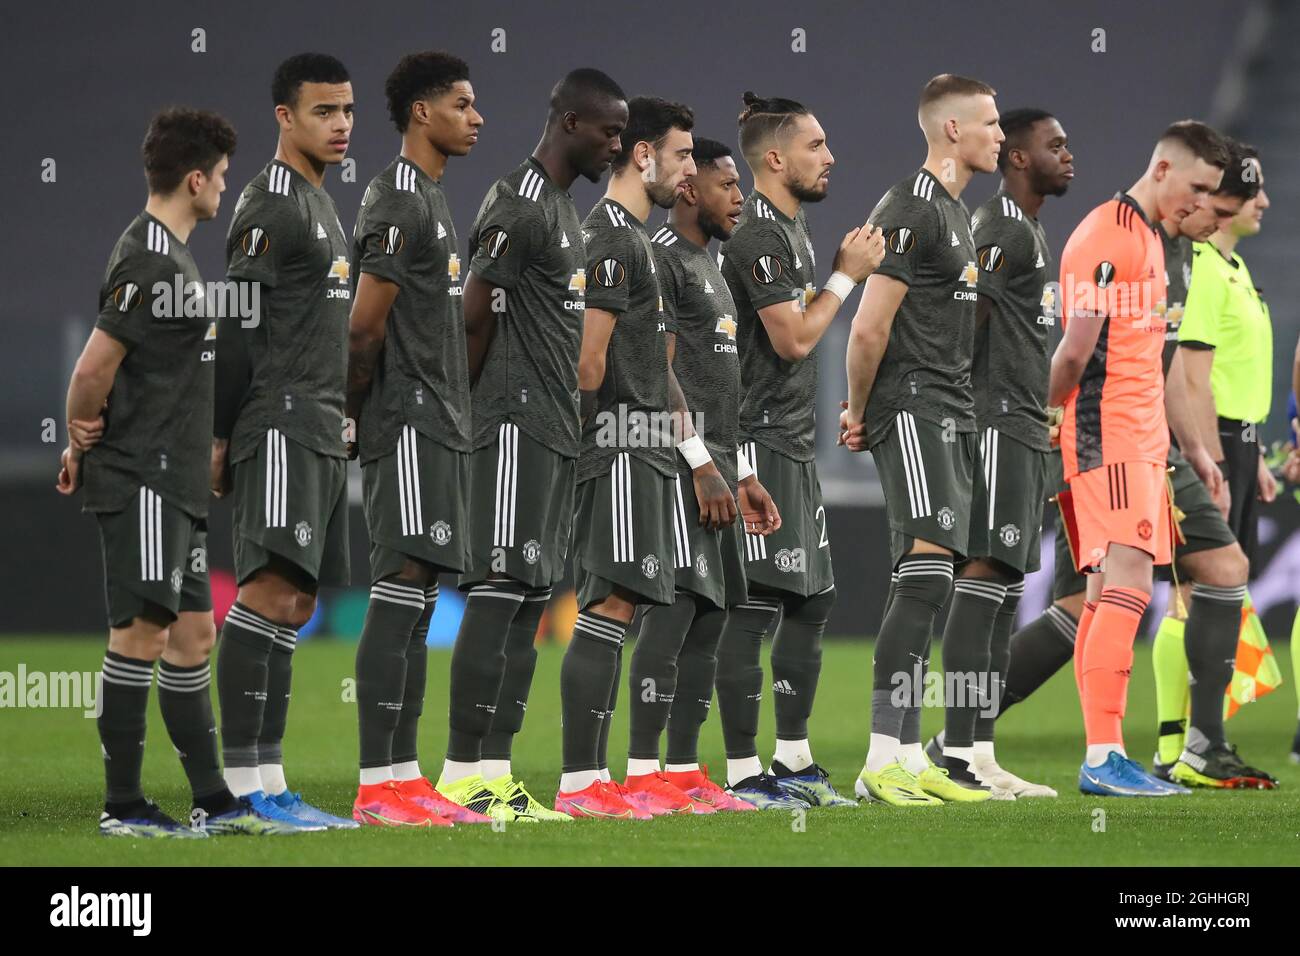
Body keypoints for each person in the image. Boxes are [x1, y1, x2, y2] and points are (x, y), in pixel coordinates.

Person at [59, 107, 297, 836]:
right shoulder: (149, 259)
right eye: (221, 175)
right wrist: (79, 432)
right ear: (195, 178)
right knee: (140, 633)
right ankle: (123, 805)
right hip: (144, 479)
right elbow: (94, 367)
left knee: (193, 635)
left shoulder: (172, 255)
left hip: (177, 482)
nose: (225, 187)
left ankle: (211, 800)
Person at [436, 69, 626, 822]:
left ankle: (495, 770)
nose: (616, 146)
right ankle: (459, 771)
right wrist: (466, 416)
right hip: (510, 422)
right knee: (498, 592)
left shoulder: (565, 213)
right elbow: (474, 315)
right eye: (608, 132)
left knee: (529, 601)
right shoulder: (516, 202)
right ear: (570, 121)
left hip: (553, 428)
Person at [715, 92, 883, 809]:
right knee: (755, 607)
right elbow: (793, 338)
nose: (831, 156)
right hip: (755, 440)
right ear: (775, 158)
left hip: (791, 441)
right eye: (816, 145)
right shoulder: (756, 233)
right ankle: (740, 772)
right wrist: (847, 274)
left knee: (813, 599)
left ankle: (792, 760)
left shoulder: (792, 227)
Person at [1050, 120, 1227, 797]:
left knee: (1105, 592)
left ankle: (1107, 751)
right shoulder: (1111, 235)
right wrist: (1049, 411)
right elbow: (1073, 351)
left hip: (1138, 438)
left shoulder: (1148, 237)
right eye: (1197, 187)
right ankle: (1102, 756)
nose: (1201, 202)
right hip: (1108, 436)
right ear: (1161, 170)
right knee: (1125, 584)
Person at [553, 95, 717, 819]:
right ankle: (581, 783)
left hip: (647, 450)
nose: (690, 169)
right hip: (618, 446)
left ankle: (611, 778)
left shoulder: (636, 241)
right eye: (682, 154)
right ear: (644, 155)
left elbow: (659, 370)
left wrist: (695, 455)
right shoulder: (612, 240)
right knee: (610, 605)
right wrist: (589, 450)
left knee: (629, 607)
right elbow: (587, 366)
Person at [842, 74, 1002, 806]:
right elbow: (870, 324)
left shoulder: (958, 215)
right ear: (951, 131)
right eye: (990, 124)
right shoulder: (908, 206)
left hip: (949, 410)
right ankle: (881, 759)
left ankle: (907, 754)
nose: (1000, 136)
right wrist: (858, 407)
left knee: (930, 576)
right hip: (912, 407)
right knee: (930, 567)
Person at [212, 53, 358, 829]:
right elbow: (234, 322)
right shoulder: (270, 202)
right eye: (323, 112)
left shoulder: (325, 207)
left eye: (346, 112)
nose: (339, 126)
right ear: (284, 117)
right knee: (267, 592)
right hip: (274, 419)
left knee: (296, 601)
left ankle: (270, 781)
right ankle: (239, 792)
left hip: (319, 427)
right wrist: (216, 430)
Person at [347, 51, 493, 826]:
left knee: (421, 591)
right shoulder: (399, 198)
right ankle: (378, 784)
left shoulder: (431, 200)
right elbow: (364, 327)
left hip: (439, 419)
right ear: (420, 113)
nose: (477, 117)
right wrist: (349, 411)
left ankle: (405, 778)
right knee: (399, 584)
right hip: (404, 416)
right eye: (463, 104)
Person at [626, 137, 780, 813]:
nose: (738, 197)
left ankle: (685, 770)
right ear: (689, 191)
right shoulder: (663, 259)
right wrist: (697, 464)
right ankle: (638, 771)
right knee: (675, 613)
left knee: (712, 615)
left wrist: (742, 470)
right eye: (725, 185)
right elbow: (655, 372)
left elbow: (723, 387)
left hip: (720, 468)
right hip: (679, 467)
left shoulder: (710, 267)